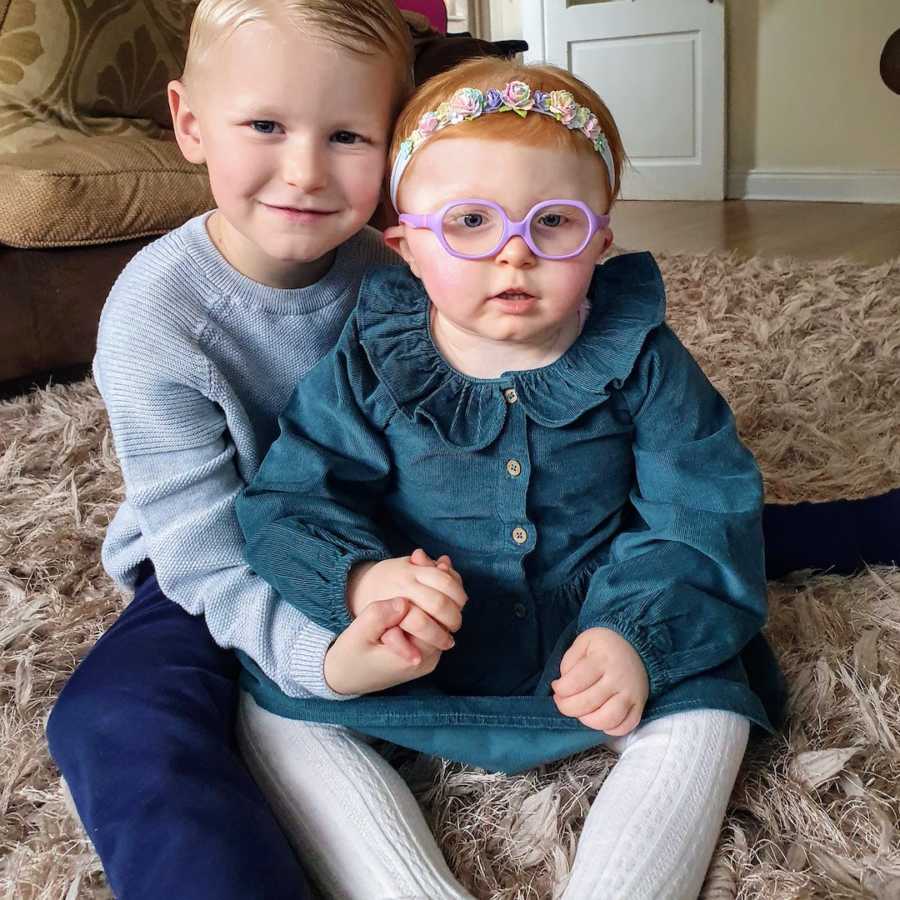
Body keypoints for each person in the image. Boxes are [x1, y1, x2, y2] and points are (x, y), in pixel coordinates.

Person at [234, 57, 787, 900]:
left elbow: (701, 508)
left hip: (595, 626)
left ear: (601, 238)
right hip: (420, 645)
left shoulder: (643, 359)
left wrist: (635, 634)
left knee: (713, 707)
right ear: (406, 247)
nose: (514, 258)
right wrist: (361, 580)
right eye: (469, 223)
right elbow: (292, 497)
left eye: (553, 224)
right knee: (273, 709)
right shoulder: (371, 362)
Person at [44, 2, 417, 898]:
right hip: (220, 562)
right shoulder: (154, 318)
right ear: (190, 124)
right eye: (265, 126)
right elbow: (202, 555)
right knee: (111, 719)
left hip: (384, 533)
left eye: (348, 136)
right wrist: (317, 662)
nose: (305, 171)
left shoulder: (396, 278)